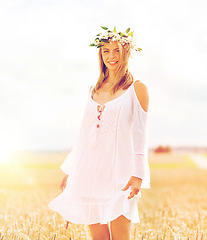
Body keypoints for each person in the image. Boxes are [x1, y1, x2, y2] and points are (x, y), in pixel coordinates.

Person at [48, 26, 150, 240]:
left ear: (126, 53)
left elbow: (140, 134)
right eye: (106, 51)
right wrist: (71, 170)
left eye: (116, 51)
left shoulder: (137, 88)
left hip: (120, 175)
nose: (111, 57)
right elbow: (83, 135)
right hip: (90, 172)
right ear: (100, 54)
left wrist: (138, 174)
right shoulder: (93, 90)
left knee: (121, 236)